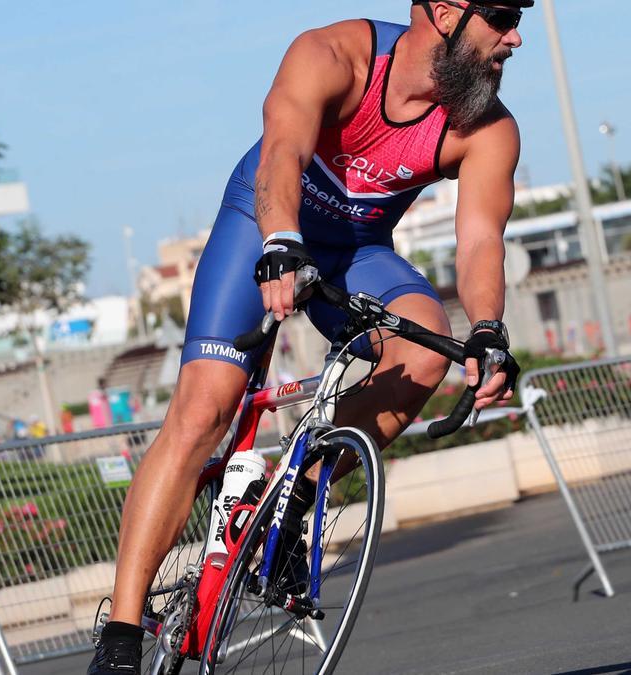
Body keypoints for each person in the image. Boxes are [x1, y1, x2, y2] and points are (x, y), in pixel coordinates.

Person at [88, 2, 531, 672]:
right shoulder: (334, 56)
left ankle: (294, 502)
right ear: (442, 12)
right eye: (500, 16)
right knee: (204, 409)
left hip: (355, 249)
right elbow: (283, 153)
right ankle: (119, 637)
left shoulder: (487, 130)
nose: (515, 36)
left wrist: (490, 332)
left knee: (429, 341)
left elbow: (477, 242)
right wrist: (280, 243)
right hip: (264, 223)